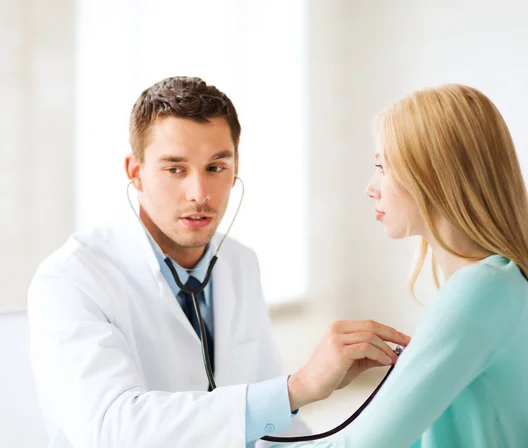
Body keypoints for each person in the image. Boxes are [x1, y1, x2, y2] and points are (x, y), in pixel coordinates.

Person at [27, 76, 409, 448]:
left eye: (215, 167)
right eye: (175, 169)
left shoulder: (240, 263)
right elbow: (114, 431)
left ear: (235, 167)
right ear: (135, 173)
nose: (200, 194)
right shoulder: (70, 280)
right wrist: (298, 387)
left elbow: (275, 429)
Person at [277, 84, 528, 448]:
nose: (371, 187)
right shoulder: (506, 283)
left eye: (383, 167)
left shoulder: (479, 291)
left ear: (435, 176)